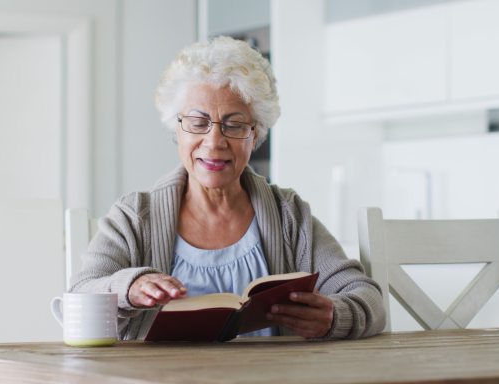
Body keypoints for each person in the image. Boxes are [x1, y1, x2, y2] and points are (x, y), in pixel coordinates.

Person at [70, 36, 385, 340]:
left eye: (234, 124)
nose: (214, 142)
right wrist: (130, 287)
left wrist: (333, 315)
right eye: (198, 121)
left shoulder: (289, 215)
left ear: (255, 134)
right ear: (176, 128)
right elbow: (80, 293)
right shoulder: (133, 217)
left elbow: (367, 297)